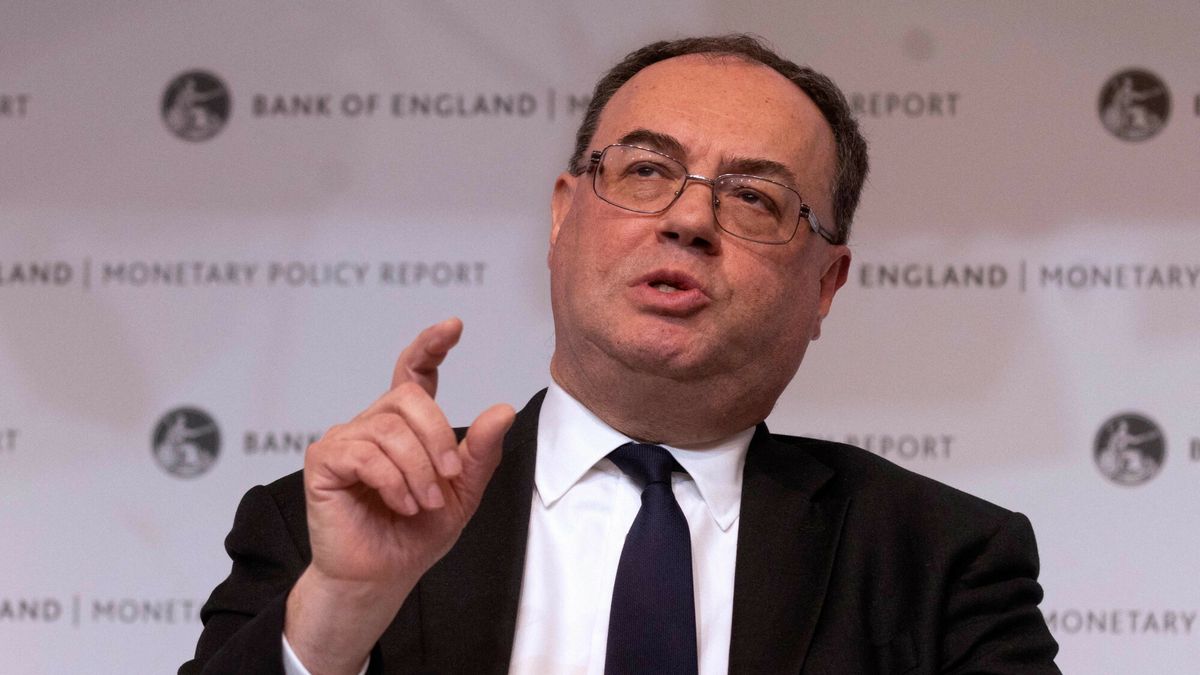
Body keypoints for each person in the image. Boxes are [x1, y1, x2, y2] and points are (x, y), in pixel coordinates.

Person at [182, 35, 1059, 674]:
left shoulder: (942, 559)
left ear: (826, 284)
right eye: (645, 171)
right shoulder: (326, 525)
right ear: (565, 215)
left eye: (754, 196)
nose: (686, 218)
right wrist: (339, 611)